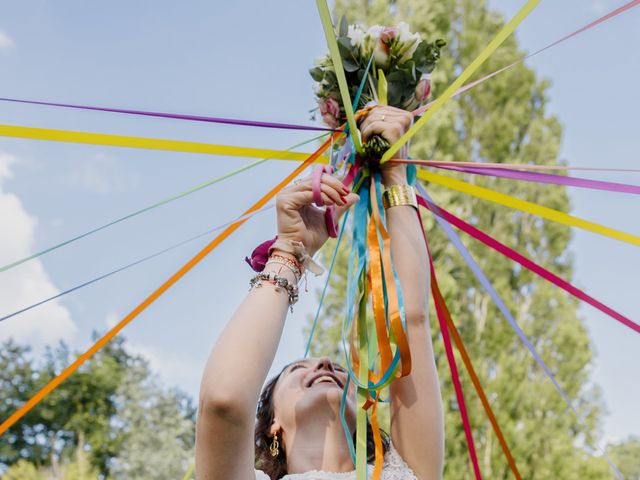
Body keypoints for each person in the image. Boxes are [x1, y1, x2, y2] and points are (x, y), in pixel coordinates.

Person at [196, 106, 444, 480]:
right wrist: (290, 249)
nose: (325, 364)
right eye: (298, 369)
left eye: (342, 371)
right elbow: (223, 401)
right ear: (271, 425)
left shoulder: (404, 472)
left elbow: (410, 321)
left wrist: (395, 172)